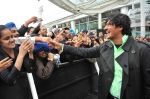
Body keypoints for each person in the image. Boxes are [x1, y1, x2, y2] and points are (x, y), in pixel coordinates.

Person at [49, 13, 150, 99]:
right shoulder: (105, 47)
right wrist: (61, 46)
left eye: (109, 24)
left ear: (120, 27)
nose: (105, 28)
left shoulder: (142, 50)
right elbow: (84, 52)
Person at [0, 25, 34, 99]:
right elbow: (10, 80)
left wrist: (31, 53)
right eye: (6, 38)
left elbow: (29, 69)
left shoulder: (17, 48)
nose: (12, 40)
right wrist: (21, 55)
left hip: (23, 90)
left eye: (12, 36)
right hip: (8, 94)